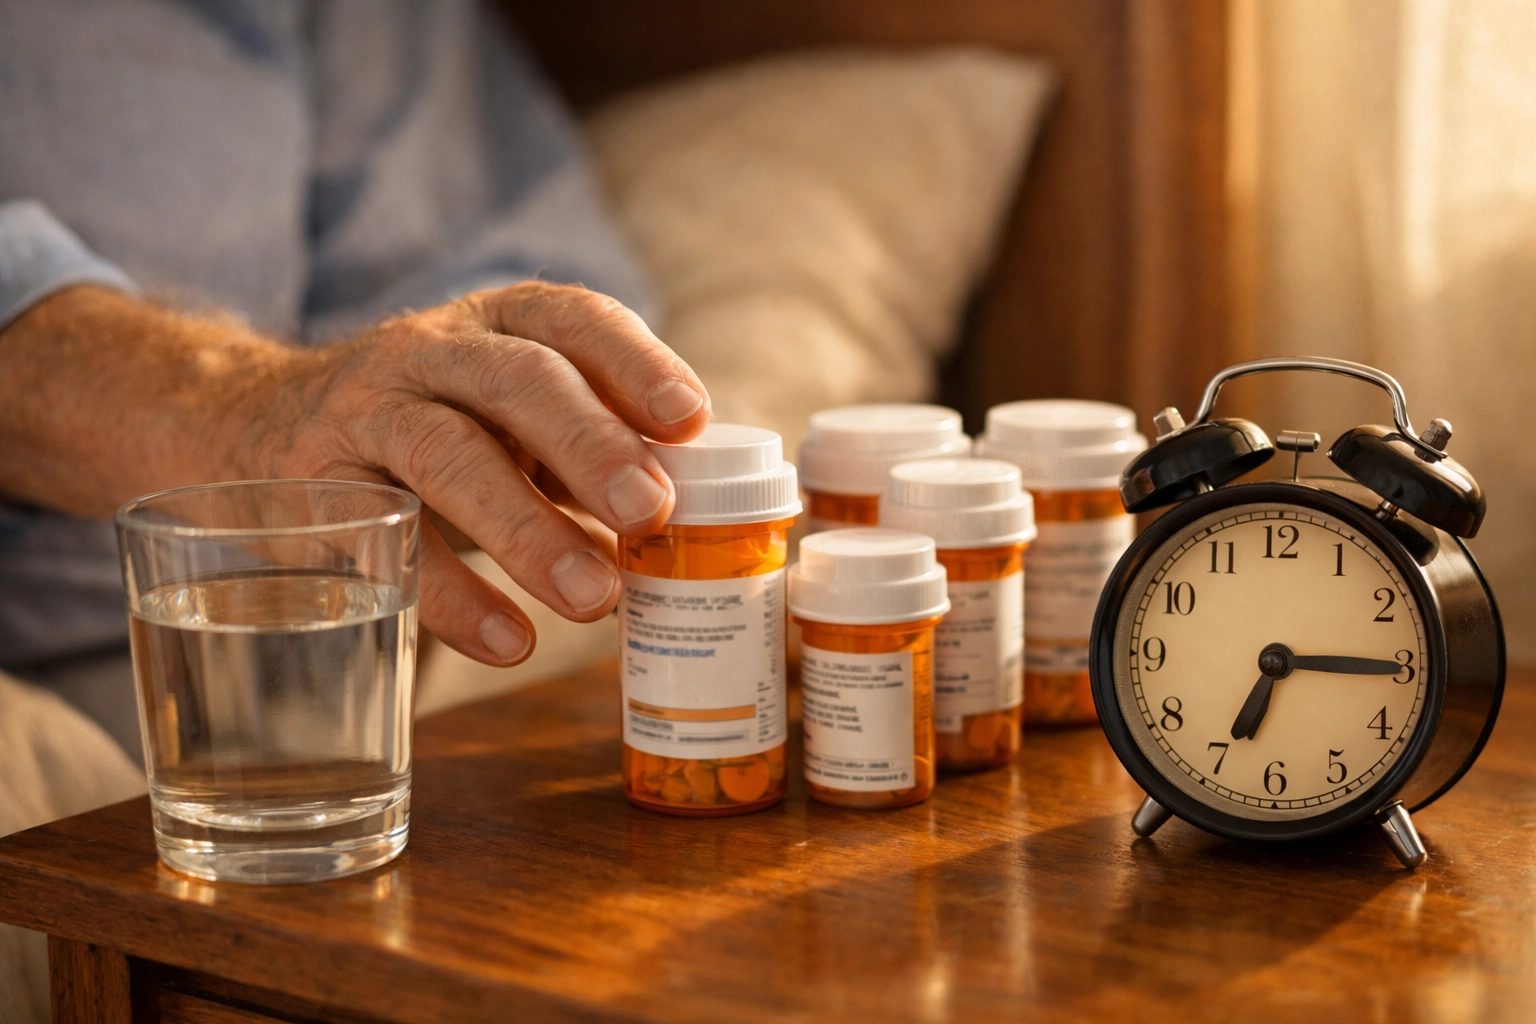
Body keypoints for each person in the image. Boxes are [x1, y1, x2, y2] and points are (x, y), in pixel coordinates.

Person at [0, 0, 709, 756]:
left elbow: (501, 260)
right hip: (81, 662)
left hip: (334, 650)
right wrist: (238, 414)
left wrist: (464, 425)